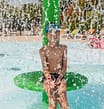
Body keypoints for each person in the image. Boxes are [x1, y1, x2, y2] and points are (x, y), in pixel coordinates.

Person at [39, 24, 69, 109]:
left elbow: (64, 66)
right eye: (51, 33)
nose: (54, 35)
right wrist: (49, 79)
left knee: (63, 97)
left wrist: (60, 77)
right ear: (46, 35)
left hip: (60, 75)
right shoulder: (43, 50)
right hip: (48, 76)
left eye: (56, 32)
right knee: (52, 98)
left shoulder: (63, 48)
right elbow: (45, 68)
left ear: (59, 34)